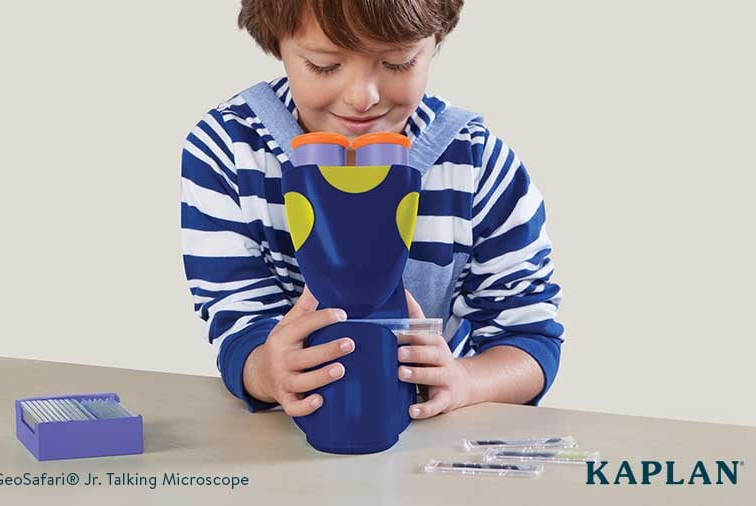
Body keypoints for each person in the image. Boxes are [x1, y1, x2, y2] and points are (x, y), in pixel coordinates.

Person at [180, 0, 564, 421]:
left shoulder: (478, 164)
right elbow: (236, 322)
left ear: (435, 39)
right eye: (325, 65)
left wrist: (465, 380)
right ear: (276, 41)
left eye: (397, 62)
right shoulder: (228, 152)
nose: (363, 97)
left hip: (430, 442)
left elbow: (530, 338)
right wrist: (269, 371)